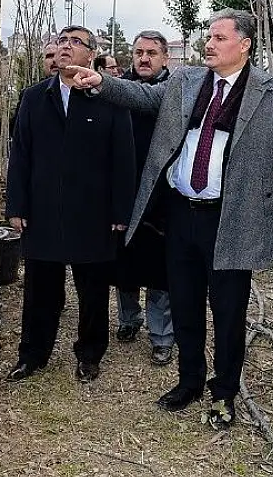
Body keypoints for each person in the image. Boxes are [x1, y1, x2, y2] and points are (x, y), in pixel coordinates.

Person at [65, 9, 273, 429]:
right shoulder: (184, 81)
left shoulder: (270, 93)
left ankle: (223, 394)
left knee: (228, 312)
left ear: (244, 44)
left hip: (231, 219)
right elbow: (144, 97)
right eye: (208, 36)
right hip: (180, 215)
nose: (209, 44)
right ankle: (189, 382)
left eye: (219, 38)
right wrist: (102, 83)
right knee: (184, 306)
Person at [5, 25, 136, 384]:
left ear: (90, 54)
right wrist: (17, 204)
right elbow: (20, 155)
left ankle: (90, 354)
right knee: (40, 290)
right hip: (43, 210)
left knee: (92, 291)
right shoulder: (34, 98)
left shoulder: (108, 99)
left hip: (92, 213)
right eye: (62, 41)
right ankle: (33, 355)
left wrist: (120, 212)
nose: (65, 47)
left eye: (75, 42)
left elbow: (123, 160)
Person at [113, 30, 174, 366]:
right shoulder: (116, 89)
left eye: (152, 52)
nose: (144, 58)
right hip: (125, 190)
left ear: (165, 57)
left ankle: (162, 335)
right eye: (138, 52)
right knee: (123, 264)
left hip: (164, 196)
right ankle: (128, 319)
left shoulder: (177, 94)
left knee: (159, 269)